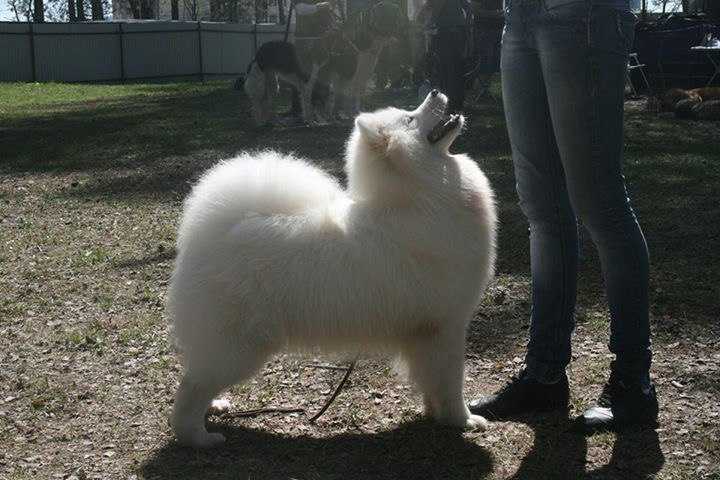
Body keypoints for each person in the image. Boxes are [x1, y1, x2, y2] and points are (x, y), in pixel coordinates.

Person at [468, 0, 659, 432]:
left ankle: (634, 383)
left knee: (601, 204)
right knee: (542, 208)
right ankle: (544, 375)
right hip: (518, 18)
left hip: (584, 16)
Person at [416, 0, 470, 112]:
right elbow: (467, 6)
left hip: (446, 30)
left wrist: (430, 21)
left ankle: (449, 103)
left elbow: (437, 4)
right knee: (456, 69)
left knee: (446, 69)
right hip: (458, 29)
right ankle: (456, 102)